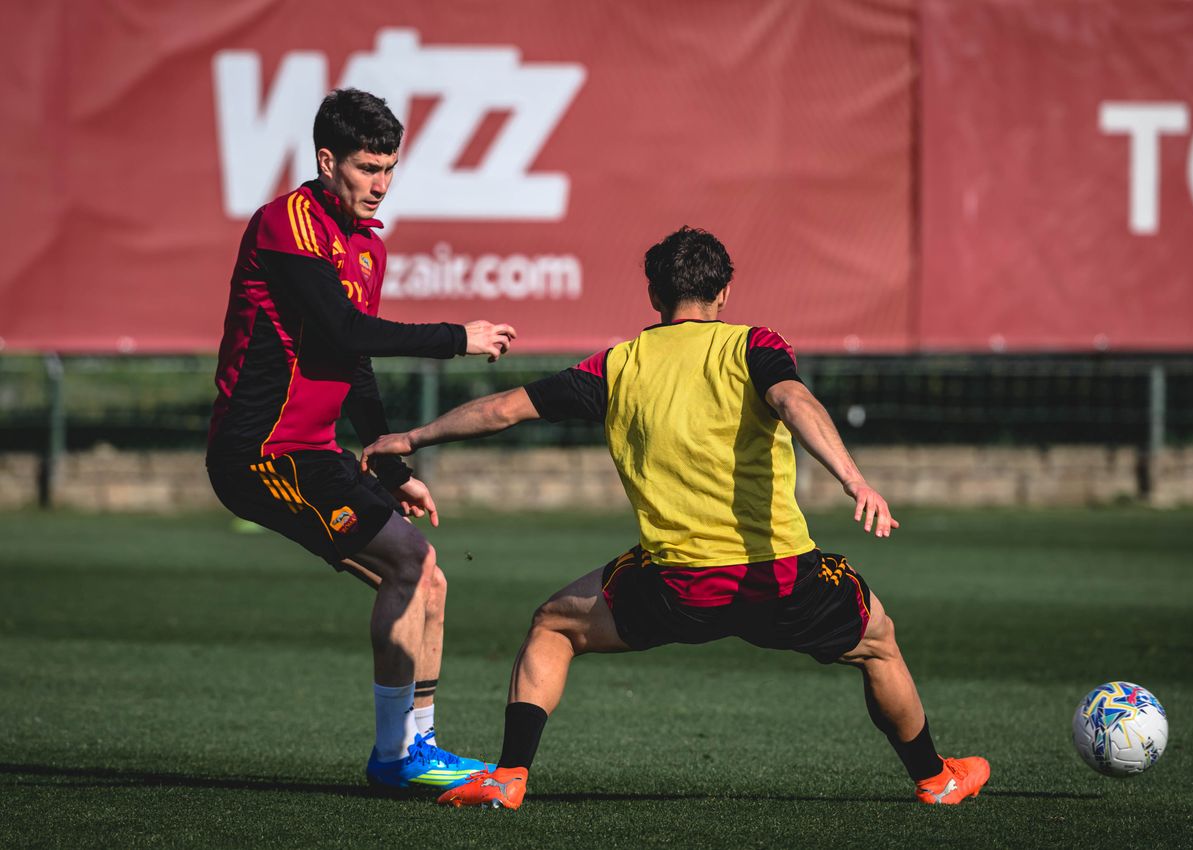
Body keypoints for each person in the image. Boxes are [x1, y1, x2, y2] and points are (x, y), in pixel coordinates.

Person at [361, 226, 990, 808]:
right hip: (782, 578)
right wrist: (853, 478)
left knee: (553, 626)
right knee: (879, 645)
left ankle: (508, 777)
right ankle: (935, 778)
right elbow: (793, 398)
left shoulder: (618, 364)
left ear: (655, 294)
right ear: (724, 291)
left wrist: (412, 439)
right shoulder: (753, 345)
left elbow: (504, 410)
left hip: (676, 586)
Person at [206, 88, 515, 791]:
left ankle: (418, 748)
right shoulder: (287, 224)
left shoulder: (368, 248)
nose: (381, 184)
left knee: (429, 575)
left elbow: (353, 361)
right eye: (368, 168)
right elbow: (346, 331)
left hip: (313, 452)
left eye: (389, 168)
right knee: (410, 562)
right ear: (327, 160)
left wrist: (388, 460)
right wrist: (455, 339)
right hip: (260, 454)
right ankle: (394, 758)